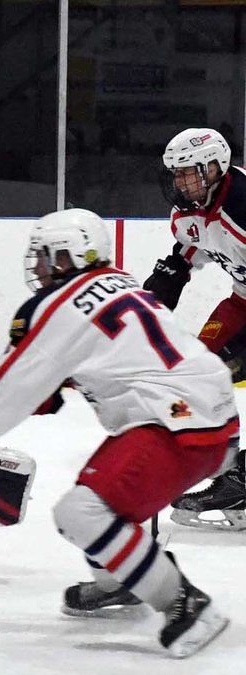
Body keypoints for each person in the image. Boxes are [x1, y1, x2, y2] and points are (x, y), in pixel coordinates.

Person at [0, 208, 235, 658]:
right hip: (210, 418)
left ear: (68, 255)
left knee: (82, 512)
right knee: (102, 497)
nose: (36, 269)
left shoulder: (59, 304)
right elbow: (92, 362)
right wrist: (48, 388)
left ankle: (185, 604)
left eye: (43, 257)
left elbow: (5, 385)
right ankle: (124, 579)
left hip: (178, 422)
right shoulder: (121, 285)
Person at [144, 127, 246, 530]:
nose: (181, 182)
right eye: (177, 174)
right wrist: (147, 311)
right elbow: (182, 261)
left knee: (224, 365)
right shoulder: (189, 213)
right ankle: (233, 480)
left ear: (216, 167)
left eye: (190, 172)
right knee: (197, 371)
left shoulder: (242, 207)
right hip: (243, 299)